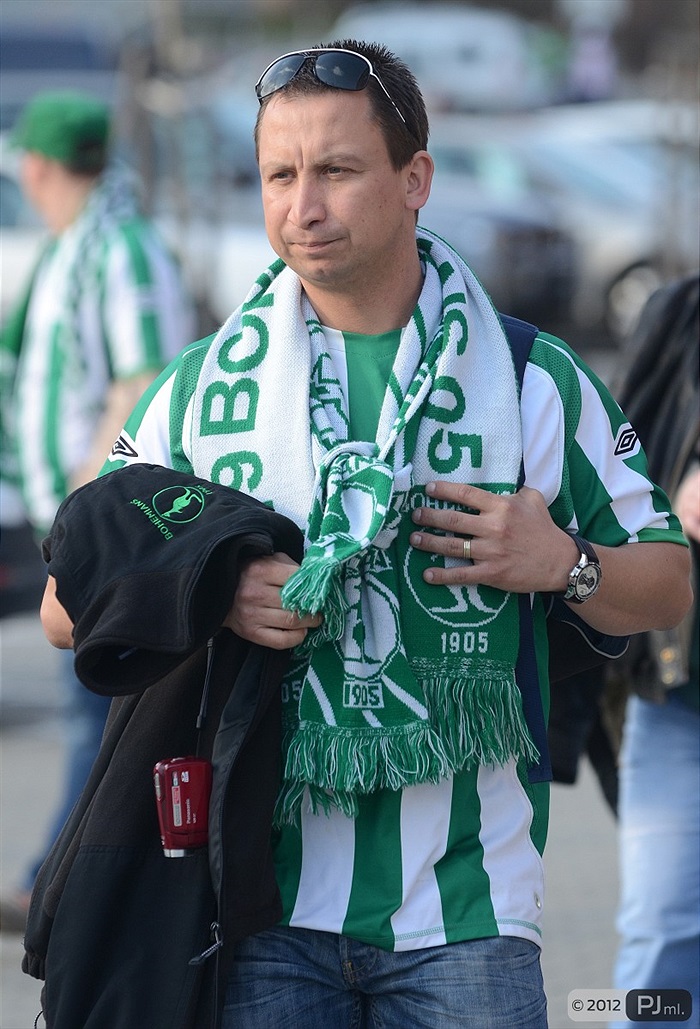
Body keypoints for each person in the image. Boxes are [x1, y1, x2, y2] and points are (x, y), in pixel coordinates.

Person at [36, 43, 691, 1029]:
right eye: (279, 175)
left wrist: (564, 562)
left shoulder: (534, 377)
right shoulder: (204, 388)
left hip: (471, 917)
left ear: (414, 179)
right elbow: (65, 602)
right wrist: (206, 588)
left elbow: (671, 581)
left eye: (336, 170)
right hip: (255, 912)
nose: (303, 206)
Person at [0, 89, 195, 931]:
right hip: (61, 513)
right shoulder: (79, 245)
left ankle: (64, 882)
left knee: (98, 712)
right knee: (94, 711)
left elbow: (143, 382)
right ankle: (67, 877)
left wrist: (87, 509)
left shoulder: (119, 248)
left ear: (39, 167)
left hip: (99, 521)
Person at [609, 274, 699, 1029]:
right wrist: (676, 494)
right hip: (680, 697)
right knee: (658, 950)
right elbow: (609, 491)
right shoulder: (682, 313)